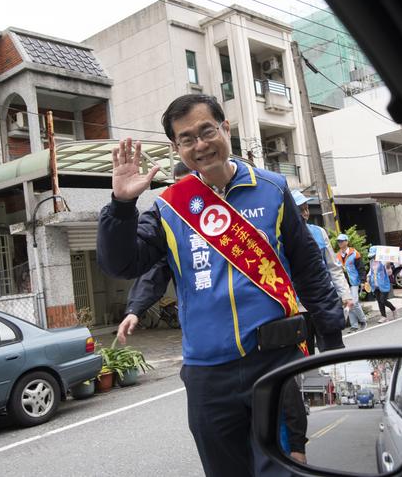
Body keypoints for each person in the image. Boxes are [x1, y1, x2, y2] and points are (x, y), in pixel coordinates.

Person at [97, 94, 344, 477]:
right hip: (208, 375)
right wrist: (121, 205)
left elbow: (310, 270)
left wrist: (332, 342)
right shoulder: (170, 207)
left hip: (274, 361)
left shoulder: (272, 189)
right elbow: (123, 263)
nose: (200, 145)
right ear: (176, 148)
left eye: (206, 131)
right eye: (186, 139)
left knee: (283, 469)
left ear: (225, 128)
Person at [118, 162, 190, 336]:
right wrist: (135, 309)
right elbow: (156, 268)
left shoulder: (226, 209)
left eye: (189, 182)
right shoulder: (169, 215)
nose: (184, 188)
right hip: (196, 323)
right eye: (177, 183)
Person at [291, 189, 352, 350]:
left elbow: (333, 267)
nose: (305, 213)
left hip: (324, 302)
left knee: (333, 351)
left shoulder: (319, 232)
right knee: (305, 357)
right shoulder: (283, 238)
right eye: (300, 209)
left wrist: (345, 294)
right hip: (298, 307)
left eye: (306, 208)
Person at [335, 234, 367, 331]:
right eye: (338, 241)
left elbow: (361, 268)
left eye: (341, 241)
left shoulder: (354, 253)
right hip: (344, 283)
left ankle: (363, 320)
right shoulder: (337, 256)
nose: (340, 243)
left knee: (354, 302)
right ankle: (354, 325)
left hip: (354, 281)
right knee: (348, 303)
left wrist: (362, 280)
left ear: (346, 242)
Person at [366, 247, 396, 322]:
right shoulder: (371, 261)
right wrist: (368, 276)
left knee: (383, 300)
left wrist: (388, 266)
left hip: (383, 283)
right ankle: (383, 316)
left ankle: (393, 309)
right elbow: (371, 270)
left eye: (374, 255)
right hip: (374, 284)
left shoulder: (384, 261)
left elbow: (389, 272)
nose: (373, 257)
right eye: (372, 255)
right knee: (379, 301)